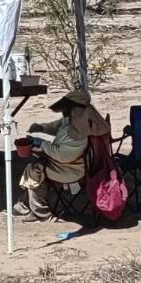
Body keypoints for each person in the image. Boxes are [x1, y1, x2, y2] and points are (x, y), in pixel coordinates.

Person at [15, 90, 110, 222]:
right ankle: (24, 206)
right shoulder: (76, 120)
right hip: (66, 164)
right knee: (37, 166)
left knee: (34, 169)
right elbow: (59, 126)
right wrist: (42, 128)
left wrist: (43, 144)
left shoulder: (81, 133)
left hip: (71, 169)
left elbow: (62, 155)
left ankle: (40, 212)